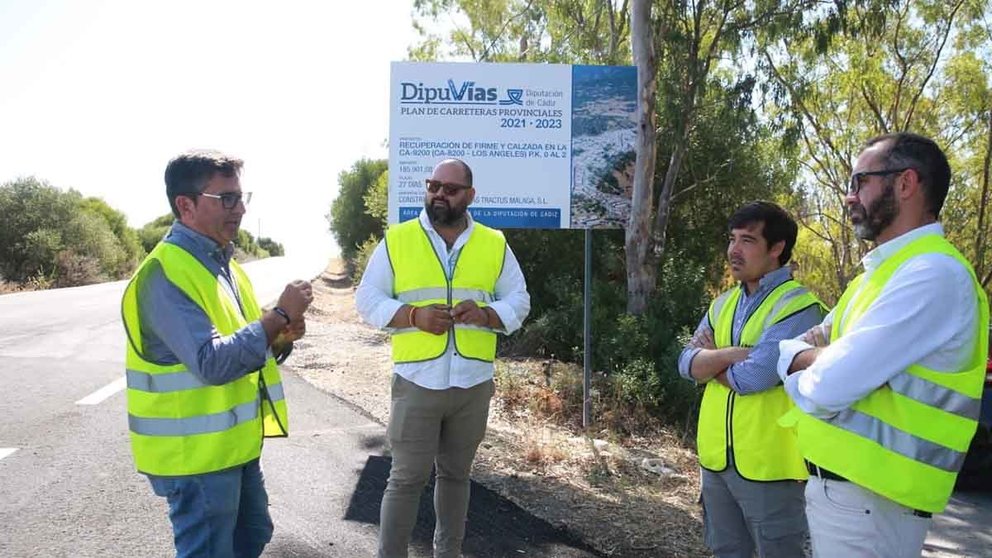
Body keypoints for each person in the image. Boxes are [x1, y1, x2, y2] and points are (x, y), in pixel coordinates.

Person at [778, 132, 990, 557]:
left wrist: (802, 363)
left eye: (860, 182)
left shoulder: (933, 274)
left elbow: (828, 387)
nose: (848, 196)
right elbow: (803, 347)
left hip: (872, 503)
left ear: (906, 184)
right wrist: (809, 357)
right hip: (852, 498)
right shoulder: (876, 276)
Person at [121, 150, 313, 558]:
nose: (240, 209)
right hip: (195, 460)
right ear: (185, 205)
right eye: (226, 199)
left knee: (253, 535)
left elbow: (247, 348)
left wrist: (280, 336)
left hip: (233, 450)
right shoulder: (165, 274)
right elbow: (212, 362)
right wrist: (276, 316)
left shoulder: (225, 265)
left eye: (242, 197)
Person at [355, 158, 530, 558]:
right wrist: (413, 316)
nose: (439, 194)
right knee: (405, 479)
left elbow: (519, 300)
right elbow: (367, 298)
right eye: (433, 185)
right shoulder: (398, 240)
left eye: (450, 189)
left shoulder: (493, 243)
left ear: (470, 196)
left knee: (456, 478)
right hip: (418, 381)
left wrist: (486, 315)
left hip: (472, 383)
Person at [678, 201, 826, 558]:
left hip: (771, 467)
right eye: (731, 240)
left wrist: (712, 361)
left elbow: (756, 377)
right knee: (726, 551)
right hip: (716, 462)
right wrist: (732, 354)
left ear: (777, 249)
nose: (733, 251)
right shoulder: (722, 303)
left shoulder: (798, 306)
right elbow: (686, 364)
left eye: (747, 240)